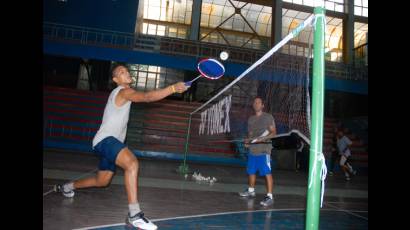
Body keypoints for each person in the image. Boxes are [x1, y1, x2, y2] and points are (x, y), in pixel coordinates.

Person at [55, 65, 188, 230]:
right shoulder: (123, 91)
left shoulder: (123, 94)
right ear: (116, 80)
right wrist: (173, 88)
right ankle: (134, 215)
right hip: (105, 140)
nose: (126, 73)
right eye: (121, 72)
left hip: (106, 142)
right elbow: (146, 97)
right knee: (132, 163)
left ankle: (68, 186)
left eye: (126, 70)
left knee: (102, 181)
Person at [238, 97, 277, 207]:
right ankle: (251, 191)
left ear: (262, 105)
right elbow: (250, 135)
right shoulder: (251, 119)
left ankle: (269, 196)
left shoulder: (268, 117)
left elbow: (273, 132)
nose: (256, 104)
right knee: (251, 171)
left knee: (267, 172)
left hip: (264, 150)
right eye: (254, 102)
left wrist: (262, 139)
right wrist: (247, 141)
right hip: (253, 150)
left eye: (258, 102)